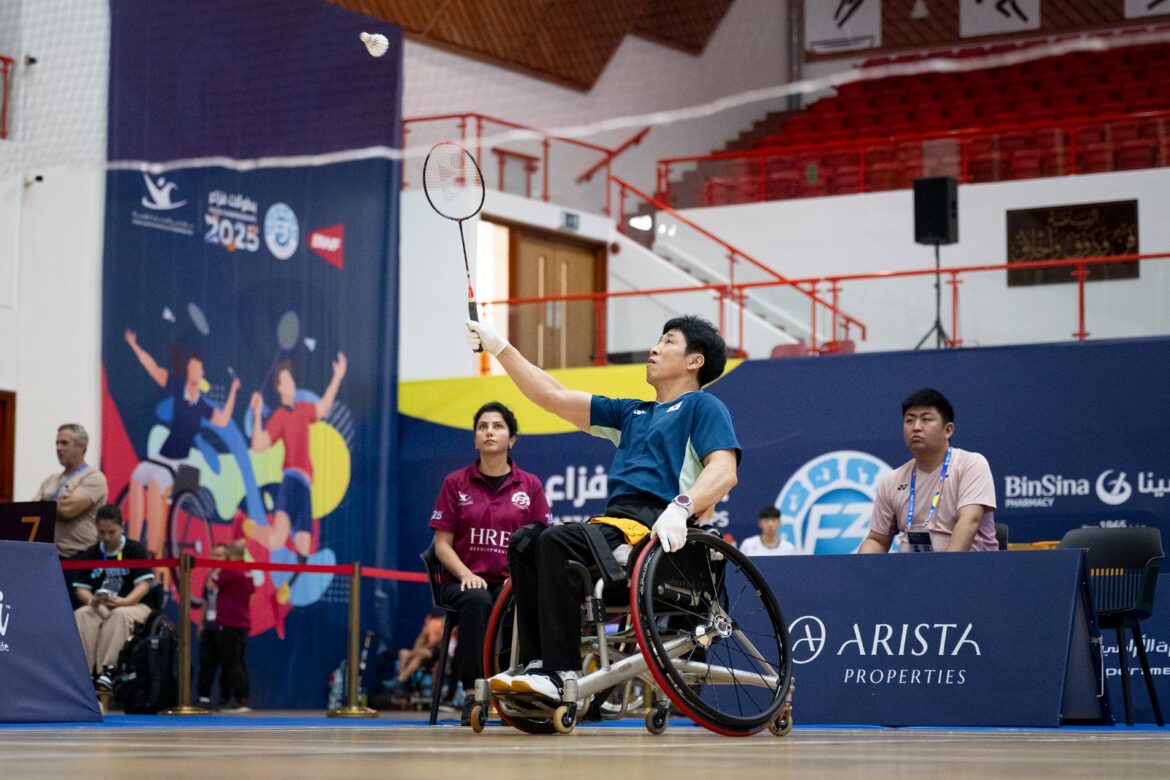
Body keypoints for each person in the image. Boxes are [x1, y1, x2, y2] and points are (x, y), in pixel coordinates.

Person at [466, 314, 740, 703]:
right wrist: (499, 347)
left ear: (695, 361)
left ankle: (561, 672)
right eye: (658, 340)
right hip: (614, 525)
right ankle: (536, 665)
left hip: (655, 525)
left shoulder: (703, 407)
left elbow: (724, 471)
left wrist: (682, 508)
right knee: (526, 540)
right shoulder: (632, 414)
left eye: (668, 342)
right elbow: (553, 396)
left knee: (557, 541)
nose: (654, 349)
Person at [428, 401, 552, 724]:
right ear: (475, 438)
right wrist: (465, 574)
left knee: (526, 600)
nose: (489, 432)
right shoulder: (455, 483)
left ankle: (523, 689)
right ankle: (474, 693)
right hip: (463, 580)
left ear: (512, 439)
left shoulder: (530, 485)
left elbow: (542, 539)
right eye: (482, 427)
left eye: (497, 426)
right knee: (477, 599)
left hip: (511, 583)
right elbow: (441, 545)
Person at [124, 330, 240, 554]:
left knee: (156, 484)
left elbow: (224, 420)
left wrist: (233, 390)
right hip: (162, 456)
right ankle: (133, 544)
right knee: (137, 476)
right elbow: (153, 368)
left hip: (179, 464)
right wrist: (134, 346)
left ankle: (151, 550)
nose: (199, 371)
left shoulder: (202, 407)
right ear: (188, 369)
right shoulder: (177, 388)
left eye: (200, 368)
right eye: (196, 367)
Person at [247, 353, 346, 605]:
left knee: (304, 549)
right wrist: (257, 413)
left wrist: (337, 377)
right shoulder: (280, 416)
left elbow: (324, 407)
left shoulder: (303, 409)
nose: (291, 384)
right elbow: (258, 444)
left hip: (305, 487)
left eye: (292, 379)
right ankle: (248, 528)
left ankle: (286, 589)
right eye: (286, 380)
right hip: (290, 481)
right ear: (279, 387)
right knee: (276, 540)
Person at [859, 388, 998, 553]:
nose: (916, 427)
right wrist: (860, 568)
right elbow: (877, 539)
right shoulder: (892, 480)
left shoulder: (971, 464)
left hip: (970, 566)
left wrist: (945, 567)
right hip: (910, 567)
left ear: (948, 430)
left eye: (926, 419)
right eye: (909, 420)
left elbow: (969, 521)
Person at [72, 504, 155, 689]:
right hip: (102, 605)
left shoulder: (135, 549)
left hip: (134, 606)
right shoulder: (91, 553)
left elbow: (143, 586)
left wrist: (125, 601)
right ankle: (83, 671)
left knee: (119, 615)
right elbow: (81, 589)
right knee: (83, 614)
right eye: (102, 532)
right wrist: (91, 600)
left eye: (112, 532)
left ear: (121, 527)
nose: (107, 537)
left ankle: (108, 669)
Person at [32, 423, 109, 560]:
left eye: (64, 443)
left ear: (81, 447)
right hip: (48, 555)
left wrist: (44, 503)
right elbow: (31, 510)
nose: (58, 448)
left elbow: (67, 510)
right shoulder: (51, 480)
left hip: (79, 556)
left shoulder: (94, 478)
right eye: (57, 443)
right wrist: (53, 504)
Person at [209, 539, 255, 712]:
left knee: (231, 663)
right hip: (242, 622)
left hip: (228, 622)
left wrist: (217, 569)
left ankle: (240, 698)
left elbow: (211, 583)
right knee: (238, 661)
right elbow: (251, 593)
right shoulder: (247, 571)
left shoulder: (229, 569)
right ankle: (231, 698)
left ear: (230, 553)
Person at [195, 542, 230, 708]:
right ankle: (204, 697)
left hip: (225, 625)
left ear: (227, 557)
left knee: (228, 664)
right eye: (214, 554)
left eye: (220, 555)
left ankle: (225, 699)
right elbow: (205, 600)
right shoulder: (209, 575)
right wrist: (201, 623)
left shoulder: (230, 575)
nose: (216, 558)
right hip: (210, 625)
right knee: (206, 662)